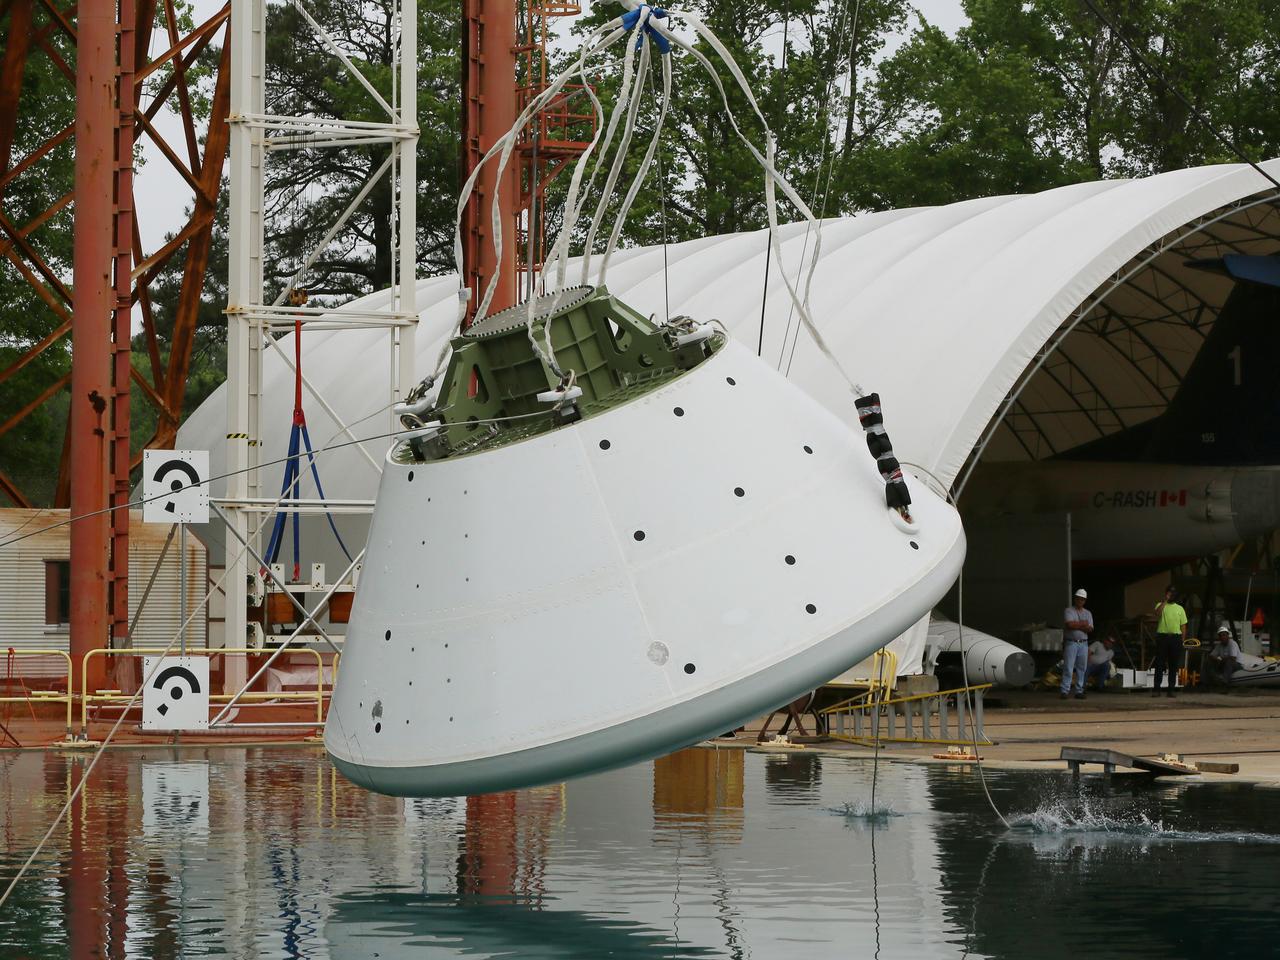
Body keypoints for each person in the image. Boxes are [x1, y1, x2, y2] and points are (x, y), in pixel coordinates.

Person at [1152, 585, 1188, 698]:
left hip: (1175, 638)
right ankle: (1156, 689)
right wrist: (1165, 600)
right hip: (1162, 637)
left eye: (1173, 593)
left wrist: (1182, 639)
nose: (1171, 594)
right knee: (1159, 664)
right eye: (1169, 592)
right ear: (1166, 593)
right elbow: (1157, 614)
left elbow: (1183, 626)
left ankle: (1170, 690)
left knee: (1173, 665)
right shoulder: (1160, 605)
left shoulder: (1180, 608)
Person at [1061, 588, 1093, 700]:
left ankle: (1079, 691)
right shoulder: (1069, 610)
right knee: (1068, 667)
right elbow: (1069, 625)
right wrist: (1083, 625)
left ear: (1085, 600)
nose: (1080, 601)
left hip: (1083, 644)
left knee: (1081, 668)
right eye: (1079, 599)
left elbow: (1090, 629)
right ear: (1075, 599)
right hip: (1071, 643)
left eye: (1082, 599)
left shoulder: (1088, 613)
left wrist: (1077, 625)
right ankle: (1065, 691)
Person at [1208, 623, 1242, 689]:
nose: (1222, 637)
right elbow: (1211, 655)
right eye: (1220, 635)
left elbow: (1233, 658)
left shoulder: (1232, 643)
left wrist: (1220, 659)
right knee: (1209, 662)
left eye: (1224, 635)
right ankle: (1211, 681)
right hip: (1224, 663)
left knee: (1228, 662)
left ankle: (1224, 683)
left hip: (1237, 664)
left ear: (1227, 636)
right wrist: (1217, 659)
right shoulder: (1219, 645)